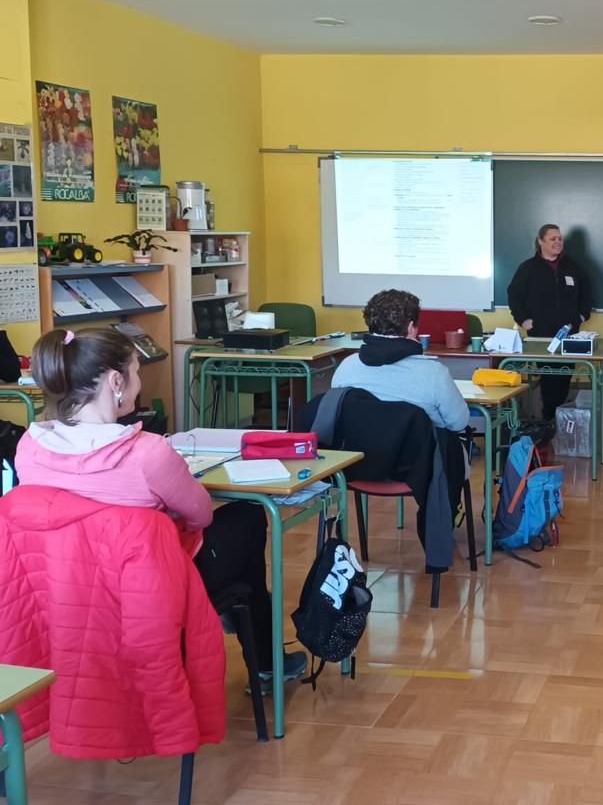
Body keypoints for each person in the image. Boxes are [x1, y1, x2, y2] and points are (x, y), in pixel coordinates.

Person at [13, 328, 306, 687]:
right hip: (146, 587)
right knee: (246, 518)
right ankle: (264, 659)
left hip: (67, 587)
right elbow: (201, 515)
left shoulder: (29, 445)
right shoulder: (147, 452)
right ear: (116, 380)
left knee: (237, 543)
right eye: (136, 372)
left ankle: (257, 647)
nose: (139, 383)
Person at [331, 289, 470, 431]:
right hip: (417, 452)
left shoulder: (347, 366)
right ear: (410, 328)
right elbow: (458, 423)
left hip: (358, 451)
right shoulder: (434, 373)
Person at [506, 223, 593, 420]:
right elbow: (514, 295)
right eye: (552, 239)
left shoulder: (573, 267)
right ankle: (549, 419)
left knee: (564, 377)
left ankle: (558, 418)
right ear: (540, 242)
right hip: (541, 336)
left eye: (560, 238)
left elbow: (587, 294)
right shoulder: (527, 268)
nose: (558, 242)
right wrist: (523, 320)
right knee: (547, 377)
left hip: (569, 335)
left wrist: (581, 316)